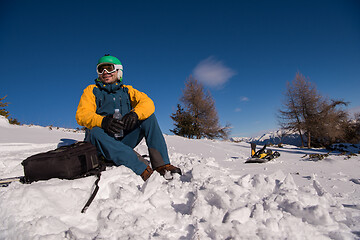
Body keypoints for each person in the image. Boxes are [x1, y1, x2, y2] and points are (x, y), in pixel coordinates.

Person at [76, 55, 181, 181]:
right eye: (101, 69)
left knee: (149, 117)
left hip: (122, 139)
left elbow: (148, 103)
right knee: (94, 130)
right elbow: (82, 115)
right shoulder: (91, 90)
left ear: (118, 71)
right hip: (102, 144)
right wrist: (103, 121)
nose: (105, 72)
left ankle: (162, 165)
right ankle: (141, 168)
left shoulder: (128, 90)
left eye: (109, 68)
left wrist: (135, 114)